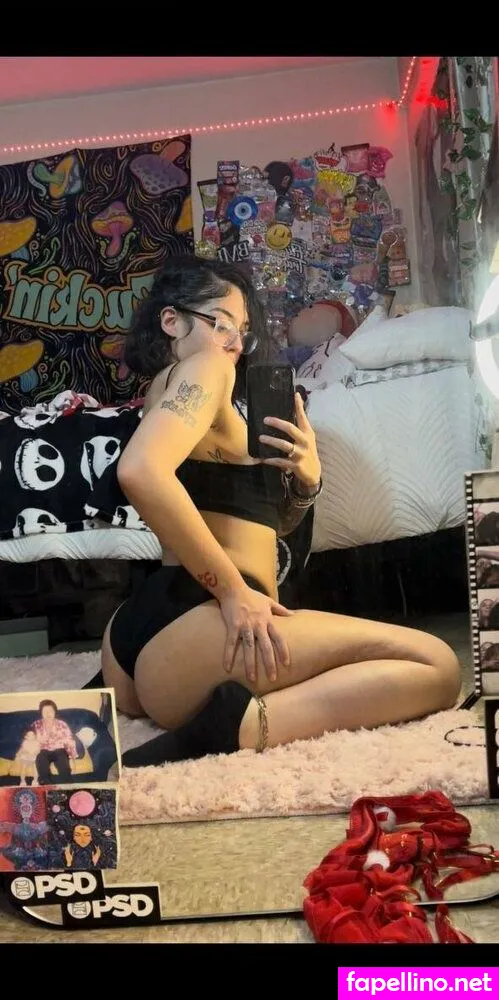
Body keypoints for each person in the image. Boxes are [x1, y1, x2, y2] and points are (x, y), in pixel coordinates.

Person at [87, 255, 460, 767]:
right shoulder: (207, 367)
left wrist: (306, 477)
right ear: (171, 320)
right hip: (206, 620)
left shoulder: (173, 389)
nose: (234, 343)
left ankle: (206, 700)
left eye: (242, 332)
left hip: (140, 631)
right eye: (221, 323)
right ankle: (231, 725)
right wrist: (233, 592)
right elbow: (141, 471)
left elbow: (264, 527)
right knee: (437, 666)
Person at [32, 700, 77, 784]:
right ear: (41, 713)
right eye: (45, 711)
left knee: (64, 769)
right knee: (41, 763)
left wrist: (72, 758)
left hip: (59, 750)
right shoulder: (36, 724)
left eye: (50, 711)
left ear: (54, 712)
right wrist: (38, 742)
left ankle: (68, 787)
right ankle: (46, 786)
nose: (48, 713)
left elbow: (69, 740)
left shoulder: (62, 724)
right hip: (43, 751)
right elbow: (30, 740)